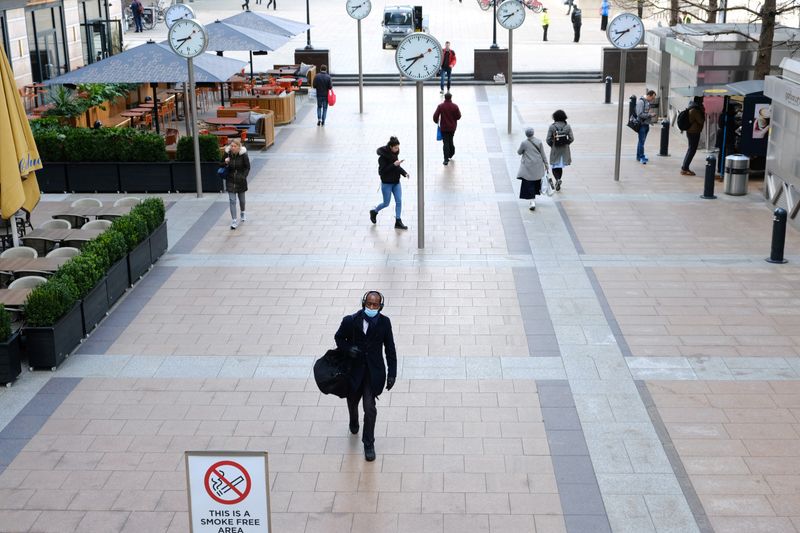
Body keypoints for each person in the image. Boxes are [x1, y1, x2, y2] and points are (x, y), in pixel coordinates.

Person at [335, 291, 397, 462]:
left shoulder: (385, 323)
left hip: (373, 373)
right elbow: (339, 338)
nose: (371, 307)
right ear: (364, 303)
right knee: (352, 401)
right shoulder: (350, 320)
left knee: (369, 408)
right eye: (369, 303)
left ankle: (368, 442)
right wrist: (348, 349)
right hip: (354, 372)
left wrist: (392, 373)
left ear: (380, 306)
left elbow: (390, 349)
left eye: (375, 305)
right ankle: (353, 421)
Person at [370, 137, 409, 230]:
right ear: (391, 147)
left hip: (396, 182)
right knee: (386, 203)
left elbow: (396, 166)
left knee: (399, 201)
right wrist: (394, 165)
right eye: (395, 147)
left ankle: (398, 221)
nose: (397, 149)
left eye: (398, 147)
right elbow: (382, 171)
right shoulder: (382, 158)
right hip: (387, 183)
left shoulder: (394, 155)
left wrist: (404, 173)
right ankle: (374, 212)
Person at [517, 127, 549, 211]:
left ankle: (532, 201)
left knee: (529, 183)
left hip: (528, 167)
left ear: (526, 134)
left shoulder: (524, 143)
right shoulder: (539, 142)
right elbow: (543, 154)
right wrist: (546, 165)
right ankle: (533, 200)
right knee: (535, 182)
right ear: (533, 133)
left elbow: (519, 152)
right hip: (537, 165)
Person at [223, 140, 250, 229]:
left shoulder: (243, 155)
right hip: (230, 180)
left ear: (239, 147)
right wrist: (225, 162)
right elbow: (220, 164)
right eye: (231, 146)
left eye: (234, 146)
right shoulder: (227, 154)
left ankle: (243, 212)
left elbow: (247, 167)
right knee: (232, 200)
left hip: (240, 180)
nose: (232, 148)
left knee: (242, 200)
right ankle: (234, 220)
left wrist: (243, 176)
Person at [545, 109, 574, 192]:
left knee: (555, 166)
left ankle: (557, 180)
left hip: (555, 150)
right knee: (560, 167)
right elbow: (572, 138)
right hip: (564, 151)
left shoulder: (552, 127)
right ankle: (558, 179)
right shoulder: (567, 126)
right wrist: (566, 143)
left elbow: (548, 139)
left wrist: (553, 145)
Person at [433, 92, 462, 166]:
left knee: (445, 142)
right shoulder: (455, 106)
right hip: (452, 127)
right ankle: (451, 153)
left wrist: (436, 121)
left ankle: (446, 159)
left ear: (445, 98)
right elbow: (458, 116)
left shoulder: (441, 106)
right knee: (451, 140)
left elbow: (435, 116)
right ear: (451, 97)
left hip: (444, 127)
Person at [680, 96, 705, 176]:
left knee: (690, 149)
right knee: (692, 150)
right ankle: (685, 168)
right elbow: (701, 121)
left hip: (691, 131)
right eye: (702, 100)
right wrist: (703, 111)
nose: (703, 101)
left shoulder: (692, 106)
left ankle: (684, 167)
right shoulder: (695, 110)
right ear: (699, 100)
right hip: (694, 132)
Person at [635, 90, 657, 164]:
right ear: (649, 95)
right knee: (641, 142)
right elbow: (639, 114)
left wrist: (649, 114)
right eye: (652, 98)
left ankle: (639, 156)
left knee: (641, 141)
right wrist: (650, 115)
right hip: (642, 125)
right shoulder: (641, 102)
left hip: (646, 124)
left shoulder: (647, 102)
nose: (653, 100)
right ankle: (641, 157)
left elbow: (645, 112)